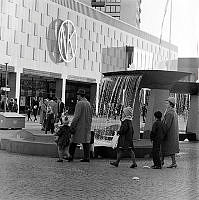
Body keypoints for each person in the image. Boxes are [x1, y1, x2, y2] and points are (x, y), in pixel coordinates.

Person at [68, 89, 92, 162]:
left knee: (73, 141)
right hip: (87, 125)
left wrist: (72, 125)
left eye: (77, 95)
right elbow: (91, 116)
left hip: (79, 126)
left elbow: (76, 116)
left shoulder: (79, 103)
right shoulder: (88, 103)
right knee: (86, 142)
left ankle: (70, 156)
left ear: (79, 95)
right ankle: (87, 157)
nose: (76, 96)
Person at [161, 97, 179, 168]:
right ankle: (173, 162)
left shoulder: (169, 112)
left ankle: (161, 162)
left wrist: (163, 131)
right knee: (171, 148)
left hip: (169, 133)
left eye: (167, 102)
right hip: (172, 133)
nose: (166, 103)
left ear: (170, 104)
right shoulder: (173, 111)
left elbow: (167, 124)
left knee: (163, 147)